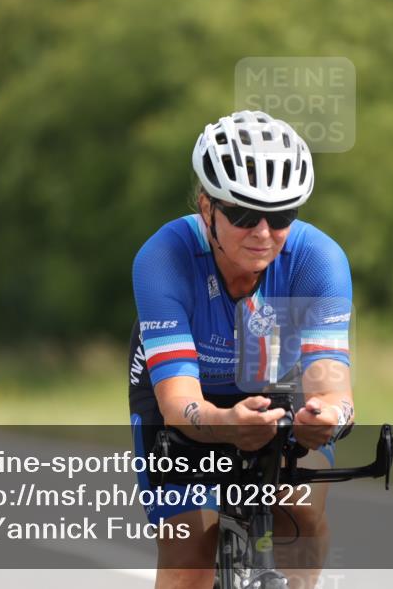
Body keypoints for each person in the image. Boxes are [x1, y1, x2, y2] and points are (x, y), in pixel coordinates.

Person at [129, 110, 355, 589]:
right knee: (189, 553)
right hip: (187, 392)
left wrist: (328, 416)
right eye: (243, 214)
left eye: (281, 217)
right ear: (206, 207)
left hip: (272, 384)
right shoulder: (161, 259)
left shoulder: (320, 261)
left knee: (303, 518)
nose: (262, 233)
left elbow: (330, 380)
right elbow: (178, 403)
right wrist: (225, 424)